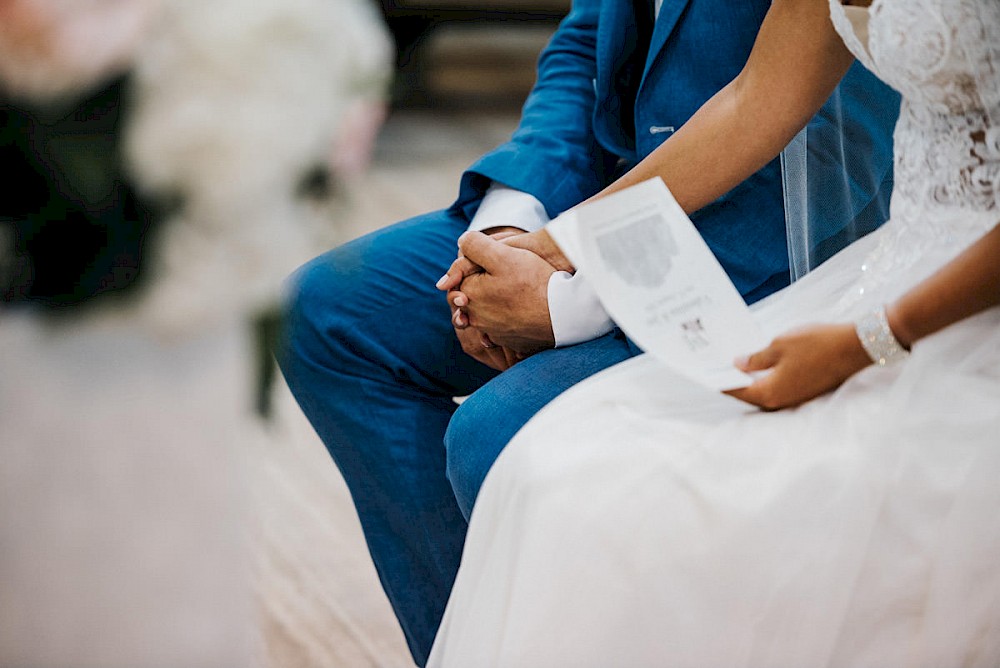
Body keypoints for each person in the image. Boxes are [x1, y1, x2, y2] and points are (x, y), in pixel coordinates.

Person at [276, 0, 898, 663]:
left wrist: (566, 294)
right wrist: (510, 228)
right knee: (332, 315)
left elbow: (828, 147)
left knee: (500, 436)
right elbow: (586, 40)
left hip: (756, 262)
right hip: (597, 200)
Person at [427, 0, 1000, 665]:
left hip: (954, 305)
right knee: (548, 470)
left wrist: (866, 339)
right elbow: (754, 102)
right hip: (894, 270)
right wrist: (557, 244)